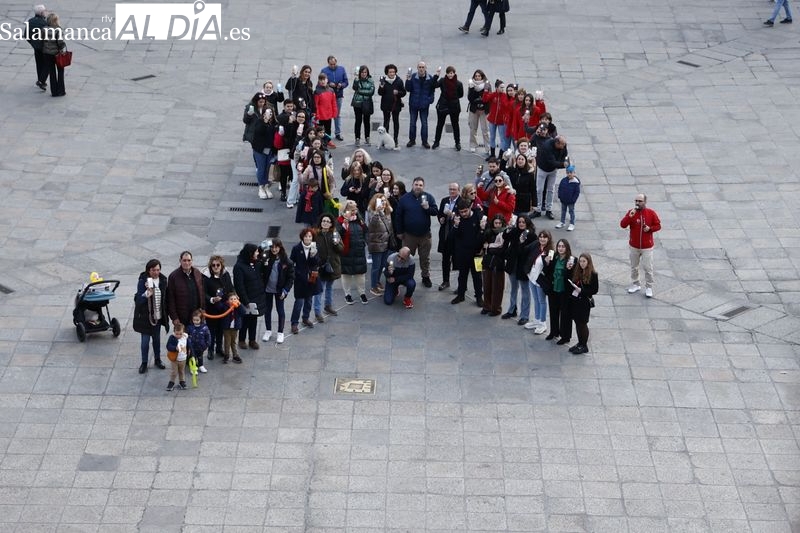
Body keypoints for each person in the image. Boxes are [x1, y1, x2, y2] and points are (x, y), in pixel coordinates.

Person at [394, 177, 438, 288]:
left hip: (425, 235)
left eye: (420, 185)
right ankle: (403, 276)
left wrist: (428, 208)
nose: (418, 187)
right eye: (416, 184)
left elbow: (435, 211)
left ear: (423, 186)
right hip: (409, 235)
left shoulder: (428, 197)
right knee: (405, 257)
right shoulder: (405, 198)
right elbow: (398, 216)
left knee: (425, 258)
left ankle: (425, 276)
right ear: (412, 185)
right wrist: (399, 231)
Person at [621, 193, 661, 298]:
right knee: (634, 267)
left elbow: (658, 225)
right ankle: (636, 284)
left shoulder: (651, 213)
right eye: (636, 201)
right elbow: (623, 225)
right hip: (634, 245)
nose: (637, 203)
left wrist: (650, 229)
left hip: (647, 246)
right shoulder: (631, 212)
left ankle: (649, 287)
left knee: (648, 267)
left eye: (640, 201)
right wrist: (630, 217)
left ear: (645, 202)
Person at [133, 259, 168, 373]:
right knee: (145, 342)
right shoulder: (143, 280)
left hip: (157, 316)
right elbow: (138, 299)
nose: (156, 272)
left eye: (158, 270)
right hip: (145, 316)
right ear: (149, 270)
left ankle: (157, 359)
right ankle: (144, 362)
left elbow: (166, 297)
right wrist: (146, 294)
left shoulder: (163, 280)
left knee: (157, 340)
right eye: (153, 270)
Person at [502, 215, 536, 325]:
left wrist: (521, 243)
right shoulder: (515, 231)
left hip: (523, 266)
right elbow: (506, 237)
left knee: (525, 290)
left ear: (527, 223)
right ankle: (512, 310)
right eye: (519, 222)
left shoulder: (531, 235)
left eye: (523, 222)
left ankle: (525, 315)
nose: (521, 224)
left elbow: (531, 251)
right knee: (513, 288)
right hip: (513, 264)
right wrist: (508, 228)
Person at [450, 200, 484, 307]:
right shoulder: (458, 219)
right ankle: (461, 295)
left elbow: (483, 234)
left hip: (477, 254)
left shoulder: (478, 217)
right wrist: (455, 226)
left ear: (470, 207)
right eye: (461, 212)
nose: (463, 214)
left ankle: (479, 297)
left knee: (477, 276)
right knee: (462, 275)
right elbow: (451, 237)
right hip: (462, 253)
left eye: (465, 211)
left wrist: (482, 246)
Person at [233, 243, 266, 351]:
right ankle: (242, 340)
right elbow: (239, 286)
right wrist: (246, 301)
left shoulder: (256, 263)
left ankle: (252, 339)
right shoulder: (239, 267)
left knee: (254, 320)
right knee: (245, 320)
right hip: (247, 298)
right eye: (255, 252)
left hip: (257, 296)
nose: (257, 253)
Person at [542, 238, 575, 344]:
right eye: (559, 246)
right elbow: (547, 273)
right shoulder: (554, 257)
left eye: (563, 246)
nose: (560, 248)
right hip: (553, 289)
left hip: (564, 290)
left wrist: (569, 269)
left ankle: (565, 336)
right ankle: (554, 332)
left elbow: (573, 277)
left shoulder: (572, 259)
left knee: (565, 314)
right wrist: (546, 263)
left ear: (567, 248)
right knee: (553, 311)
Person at [289, 228, 322, 334]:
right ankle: (294, 323)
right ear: (302, 237)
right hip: (300, 279)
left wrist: (313, 255)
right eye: (306, 236)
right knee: (299, 302)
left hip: (311, 278)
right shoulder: (296, 248)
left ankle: (305, 318)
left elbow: (317, 262)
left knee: (309, 300)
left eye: (310, 236)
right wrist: (296, 273)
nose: (308, 238)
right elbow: (291, 262)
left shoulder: (314, 248)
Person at [337, 200, 369, 304]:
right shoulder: (340, 221)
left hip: (359, 251)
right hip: (346, 252)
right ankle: (347, 294)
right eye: (352, 209)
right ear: (345, 210)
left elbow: (365, 231)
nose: (355, 211)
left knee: (360, 275)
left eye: (355, 209)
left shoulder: (359, 219)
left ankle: (362, 293)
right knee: (346, 274)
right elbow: (337, 236)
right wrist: (344, 226)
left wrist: (365, 242)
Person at [262, 239, 294, 344]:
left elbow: (290, 278)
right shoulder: (266, 257)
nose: (274, 249)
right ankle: (268, 330)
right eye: (272, 247)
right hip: (267, 289)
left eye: (276, 247)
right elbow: (257, 261)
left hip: (280, 290)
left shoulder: (286, 261)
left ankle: (280, 332)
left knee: (280, 310)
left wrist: (285, 290)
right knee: (267, 310)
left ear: (280, 248)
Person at [203, 255, 234, 360]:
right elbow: (204, 293)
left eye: (218, 265)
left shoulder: (225, 275)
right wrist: (212, 299)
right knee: (211, 331)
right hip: (211, 309)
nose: (216, 267)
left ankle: (219, 348)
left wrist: (233, 295)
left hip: (224, 308)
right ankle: (210, 349)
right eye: (213, 265)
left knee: (221, 329)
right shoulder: (206, 277)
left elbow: (230, 287)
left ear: (221, 265)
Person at [314, 213, 343, 320]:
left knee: (330, 287)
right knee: (319, 289)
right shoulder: (315, 235)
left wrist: (336, 244)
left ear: (331, 224)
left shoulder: (335, 234)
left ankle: (328, 306)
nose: (325, 223)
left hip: (332, 266)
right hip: (320, 267)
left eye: (327, 221)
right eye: (323, 221)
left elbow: (341, 249)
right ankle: (317, 311)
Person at [567, 253, 598, 355]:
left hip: (584, 302)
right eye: (580, 261)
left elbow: (594, 290)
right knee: (577, 322)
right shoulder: (578, 271)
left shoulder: (593, 274)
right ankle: (579, 343)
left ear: (588, 262)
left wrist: (582, 291)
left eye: (584, 261)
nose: (582, 263)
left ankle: (584, 345)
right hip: (576, 301)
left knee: (582, 323)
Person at [524, 230, 554, 334]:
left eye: (544, 237)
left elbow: (550, 269)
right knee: (536, 300)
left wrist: (547, 263)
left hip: (540, 280)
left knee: (541, 301)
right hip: (532, 276)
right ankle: (536, 320)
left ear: (548, 239)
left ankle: (542, 323)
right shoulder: (537, 246)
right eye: (540, 237)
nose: (542, 239)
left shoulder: (550, 252)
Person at [166, 251, 205, 330]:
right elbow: (170, 299)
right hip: (182, 317)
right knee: (183, 340)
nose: (187, 263)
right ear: (180, 261)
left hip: (197, 316)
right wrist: (174, 317)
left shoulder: (197, 273)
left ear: (192, 261)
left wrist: (203, 310)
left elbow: (202, 292)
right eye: (184, 260)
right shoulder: (173, 276)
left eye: (189, 260)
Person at [533, 135, 569, 220]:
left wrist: (565, 161)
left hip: (553, 170)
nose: (564, 146)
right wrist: (563, 164)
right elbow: (551, 162)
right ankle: (538, 210)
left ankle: (549, 209)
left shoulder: (563, 145)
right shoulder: (547, 147)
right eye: (562, 145)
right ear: (557, 143)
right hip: (543, 168)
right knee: (539, 189)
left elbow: (565, 154)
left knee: (551, 189)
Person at [367, 194, 395, 296]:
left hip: (385, 243)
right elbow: (372, 225)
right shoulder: (372, 213)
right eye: (380, 201)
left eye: (384, 201)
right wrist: (377, 213)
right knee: (376, 266)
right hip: (377, 244)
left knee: (382, 265)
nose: (383, 203)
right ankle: (373, 287)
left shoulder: (387, 212)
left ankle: (377, 281)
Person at [432, 66, 464, 150]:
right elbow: (434, 85)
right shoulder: (442, 81)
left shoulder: (458, 83)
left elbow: (461, 94)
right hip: (443, 105)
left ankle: (457, 142)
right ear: (446, 73)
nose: (450, 75)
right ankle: (436, 141)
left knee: (455, 125)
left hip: (454, 106)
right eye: (449, 73)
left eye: (452, 73)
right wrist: (436, 76)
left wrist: (453, 98)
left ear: (454, 73)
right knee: (440, 124)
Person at [405, 61, 436, 148]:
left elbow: (432, 90)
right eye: (420, 67)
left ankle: (424, 141)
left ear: (426, 68)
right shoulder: (413, 76)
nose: (421, 69)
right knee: (412, 123)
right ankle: (412, 140)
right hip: (413, 104)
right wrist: (408, 80)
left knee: (424, 123)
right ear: (417, 68)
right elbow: (408, 89)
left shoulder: (430, 78)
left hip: (424, 105)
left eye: (423, 67)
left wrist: (429, 100)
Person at [481, 214, 507, 316]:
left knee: (497, 287)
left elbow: (502, 249)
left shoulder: (505, 233)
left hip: (498, 263)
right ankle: (487, 306)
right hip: (488, 262)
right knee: (487, 285)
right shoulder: (488, 232)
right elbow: (482, 243)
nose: (498, 225)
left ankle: (496, 308)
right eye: (496, 223)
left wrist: (490, 247)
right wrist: (482, 230)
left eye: (500, 223)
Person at [437, 183, 462, 291]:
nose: (452, 191)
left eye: (454, 189)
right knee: (445, 259)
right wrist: (441, 219)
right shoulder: (444, 200)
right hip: (446, 233)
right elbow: (439, 213)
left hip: (457, 235)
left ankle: (461, 285)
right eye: (450, 189)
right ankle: (445, 281)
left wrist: (452, 215)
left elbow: (462, 217)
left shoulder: (462, 202)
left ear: (458, 190)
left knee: (458, 261)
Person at [250, 107, 278, 200]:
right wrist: (265, 122)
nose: (269, 116)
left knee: (267, 168)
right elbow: (259, 131)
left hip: (270, 149)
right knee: (261, 168)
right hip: (260, 150)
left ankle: (266, 186)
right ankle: (261, 186)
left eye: (270, 113)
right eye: (267, 113)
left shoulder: (274, 123)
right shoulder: (259, 122)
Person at [377, 64, 406, 149]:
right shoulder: (383, 81)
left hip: (395, 105)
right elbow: (380, 93)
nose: (392, 74)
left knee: (396, 122)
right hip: (386, 105)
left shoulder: (399, 81)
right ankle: (385, 139)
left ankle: (395, 139)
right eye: (390, 72)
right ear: (387, 73)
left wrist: (398, 93)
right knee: (386, 122)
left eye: (393, 72)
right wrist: (381, 87)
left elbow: (404, 92)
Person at [320, 55, 349, 140]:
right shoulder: (324, 71)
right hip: (327, 96)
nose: (333, 66)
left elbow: (346, 81)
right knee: (327, 114)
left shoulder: (342, 69)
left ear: (336, 62)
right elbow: (320, 82)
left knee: (337, 115)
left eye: (334, 64)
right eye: (331, 64)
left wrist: (342, 85)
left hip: (338, 95)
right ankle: (325, 133)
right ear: (328, 63)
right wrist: (328, 84)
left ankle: (338, 133)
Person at [41, 12, 66, 97]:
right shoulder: (58, 30)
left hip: (47, 53)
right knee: (60, 71)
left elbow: (41, 40)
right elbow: (60, 42)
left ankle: (54, 92)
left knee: (52, 72)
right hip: (56, 53)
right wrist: (63, 47)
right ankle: (61, 90)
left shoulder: (44, 29)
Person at [467, 69, 490, 153]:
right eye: (476, 76)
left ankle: (488, 147)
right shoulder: (471, 85)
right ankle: (473, 145)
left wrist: (481, 101)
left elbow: (488, 98)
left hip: (484, 110)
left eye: (479, 76)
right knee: (473, 128)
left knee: (485, 129)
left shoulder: (487, 85)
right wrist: (472, 88)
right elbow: (470, 98)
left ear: (482, 77)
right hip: (474, 109)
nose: (477, 77)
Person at [351, 65, 375, 146]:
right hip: (357, 103)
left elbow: (371, 92)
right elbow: (354, 88)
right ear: (359, 73)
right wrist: (356, 80)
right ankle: (357, 138)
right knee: (358, 121)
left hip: (367, 103)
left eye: (365, 72)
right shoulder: (357, 79)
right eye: (362, 72)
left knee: (367, 121)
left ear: (367, 73)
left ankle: (367, 137)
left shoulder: (370, 80)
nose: (364, 74)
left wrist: (360, 91)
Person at [26, 5, 48, 91]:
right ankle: (41, 81)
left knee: (39, 63)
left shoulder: (30, 21)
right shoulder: (44, 23)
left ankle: (40, 79)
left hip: (36, 47)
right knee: (48, 64)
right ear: (42, 13)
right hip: (44, 47)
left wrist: (33, 43)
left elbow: (27, 36)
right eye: (45, 11)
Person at [165, 322, 191, 391]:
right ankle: (171, 382)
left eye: (180, 334)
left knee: (182, 371)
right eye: (177, 334)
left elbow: (189, 346)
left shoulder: (185, 337)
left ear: (183, 332)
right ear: (174, 332)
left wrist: (191, 354)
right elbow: (168, 346)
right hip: (175, 359)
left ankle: (182, 382)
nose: (178, 335)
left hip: (183, 358)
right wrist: (174, 348)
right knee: (174, 372)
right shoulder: (172, 338)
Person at [556, 165, 580, 231]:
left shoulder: (576, 183)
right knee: (563, 211)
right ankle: (562, 222)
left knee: (571, 211)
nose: (569, 174)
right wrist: (560, 196)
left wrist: (573, 200)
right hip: (563, 200)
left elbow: (577, 193)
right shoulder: (563, 180)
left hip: (571, 201)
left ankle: (572, 223)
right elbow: (560, 188)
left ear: (574, 173)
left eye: (571, 172)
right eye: (568, 172)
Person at [221, 293, 243, 363]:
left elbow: (243, 312)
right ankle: (226, 355)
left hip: (235, 328)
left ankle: (235, 355)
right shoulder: (225, 306)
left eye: (235, 299)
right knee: (227, 342)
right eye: (231, 299)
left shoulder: (238, 307)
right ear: (228, 301)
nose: (233, 300)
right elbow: (219, 307)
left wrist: (239, 305)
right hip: (227, 328)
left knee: (234, 342)